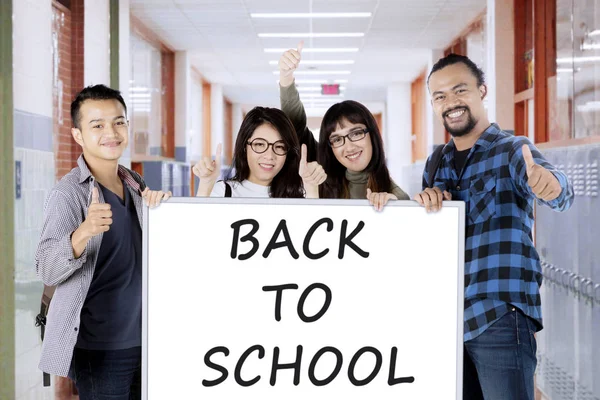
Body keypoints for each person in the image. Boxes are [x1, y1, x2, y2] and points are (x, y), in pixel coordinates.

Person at [414, 53, 574, 400]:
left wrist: (551, 185)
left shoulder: (513, 150)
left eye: (460, 91)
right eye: (440, 96)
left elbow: (559, 193)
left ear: (482, 91)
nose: (451, 103)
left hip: (499, 318)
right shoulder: (436, 161)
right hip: (448, 321)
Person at [35, 84, 170, 400]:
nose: (111, 131)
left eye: (119, 121)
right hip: (100, 347)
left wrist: (163, 211)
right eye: (97, 125)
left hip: (145, 340)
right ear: (78, 135)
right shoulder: (68, 194)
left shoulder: (135, 184)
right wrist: (83, 232)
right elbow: (46, 269)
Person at [278, 42, 409, 210]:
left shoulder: (394, 196)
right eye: (337, 139)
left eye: (355, 133)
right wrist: (286, 77)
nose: (349, 146)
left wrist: (393, 207)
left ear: (372, 134)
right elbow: (295, 127)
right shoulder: (323, 175)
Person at [193, 106, 326, 198]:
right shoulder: (223, 192)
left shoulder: (300, 195)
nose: (269, 156)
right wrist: (205, 184)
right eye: (260, 144)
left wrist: (312, 188)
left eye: (279, 147)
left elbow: (313, 235)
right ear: (245, 147)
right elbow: (198, 233)